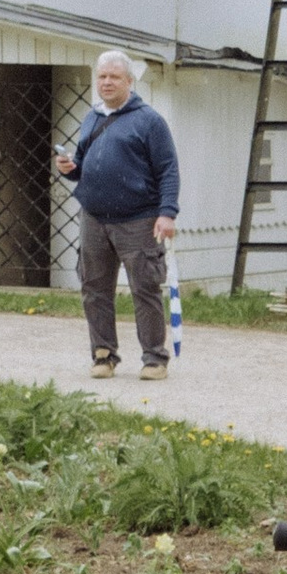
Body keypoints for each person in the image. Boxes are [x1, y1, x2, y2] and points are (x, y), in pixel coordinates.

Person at [58, 50, 179, 377]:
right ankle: (103, 356)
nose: (107, 82)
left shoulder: (149, 121)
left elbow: (168, 169)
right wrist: (69, 168)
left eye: (114, 77)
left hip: (138, 219)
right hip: (94, 218)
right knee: (94, 288)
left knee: (145, 289)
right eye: (102, 76)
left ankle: (154, 359)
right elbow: (81, 165)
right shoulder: (91, 117)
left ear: (129, 81)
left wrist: (167, 213)